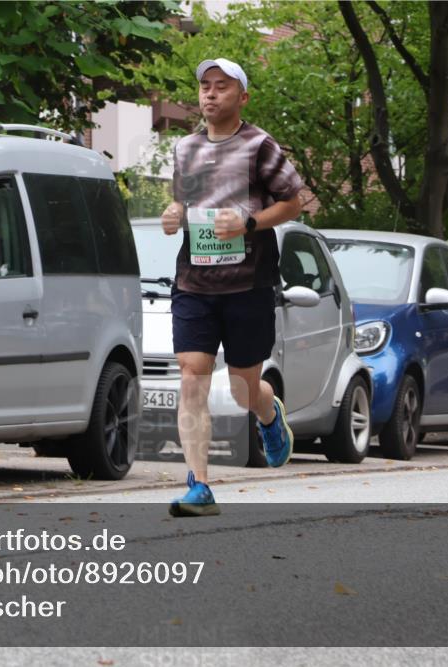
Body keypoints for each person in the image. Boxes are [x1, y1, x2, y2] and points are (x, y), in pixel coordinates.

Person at [161, 58, 305, 516]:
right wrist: (173, 214)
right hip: (195, 281)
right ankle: (199, 486)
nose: (210, 94)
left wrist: (249, 223)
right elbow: (182, 202)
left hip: (248, 283)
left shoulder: (259, 145)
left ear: (242, 97)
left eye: (221, 87)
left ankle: (268, 414)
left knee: (244, 389)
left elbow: (293, 203)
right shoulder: (185, 148)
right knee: (192, 377)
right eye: (205, 86)